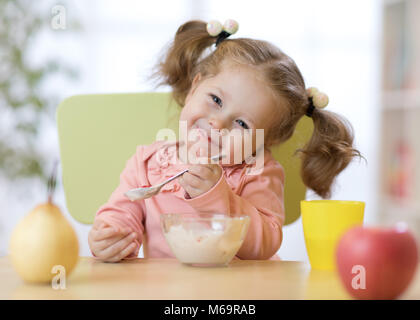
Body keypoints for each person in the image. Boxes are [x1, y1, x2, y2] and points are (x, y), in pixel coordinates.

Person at [88, 19, 361, 263]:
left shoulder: (258, 170)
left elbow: (266, 242)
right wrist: (112, 236)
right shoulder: (148, 163)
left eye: (242, 124)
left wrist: (217, 197)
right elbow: (122, 213)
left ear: (264, 140)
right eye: (215, 100)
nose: (218, 124)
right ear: (195, 87)